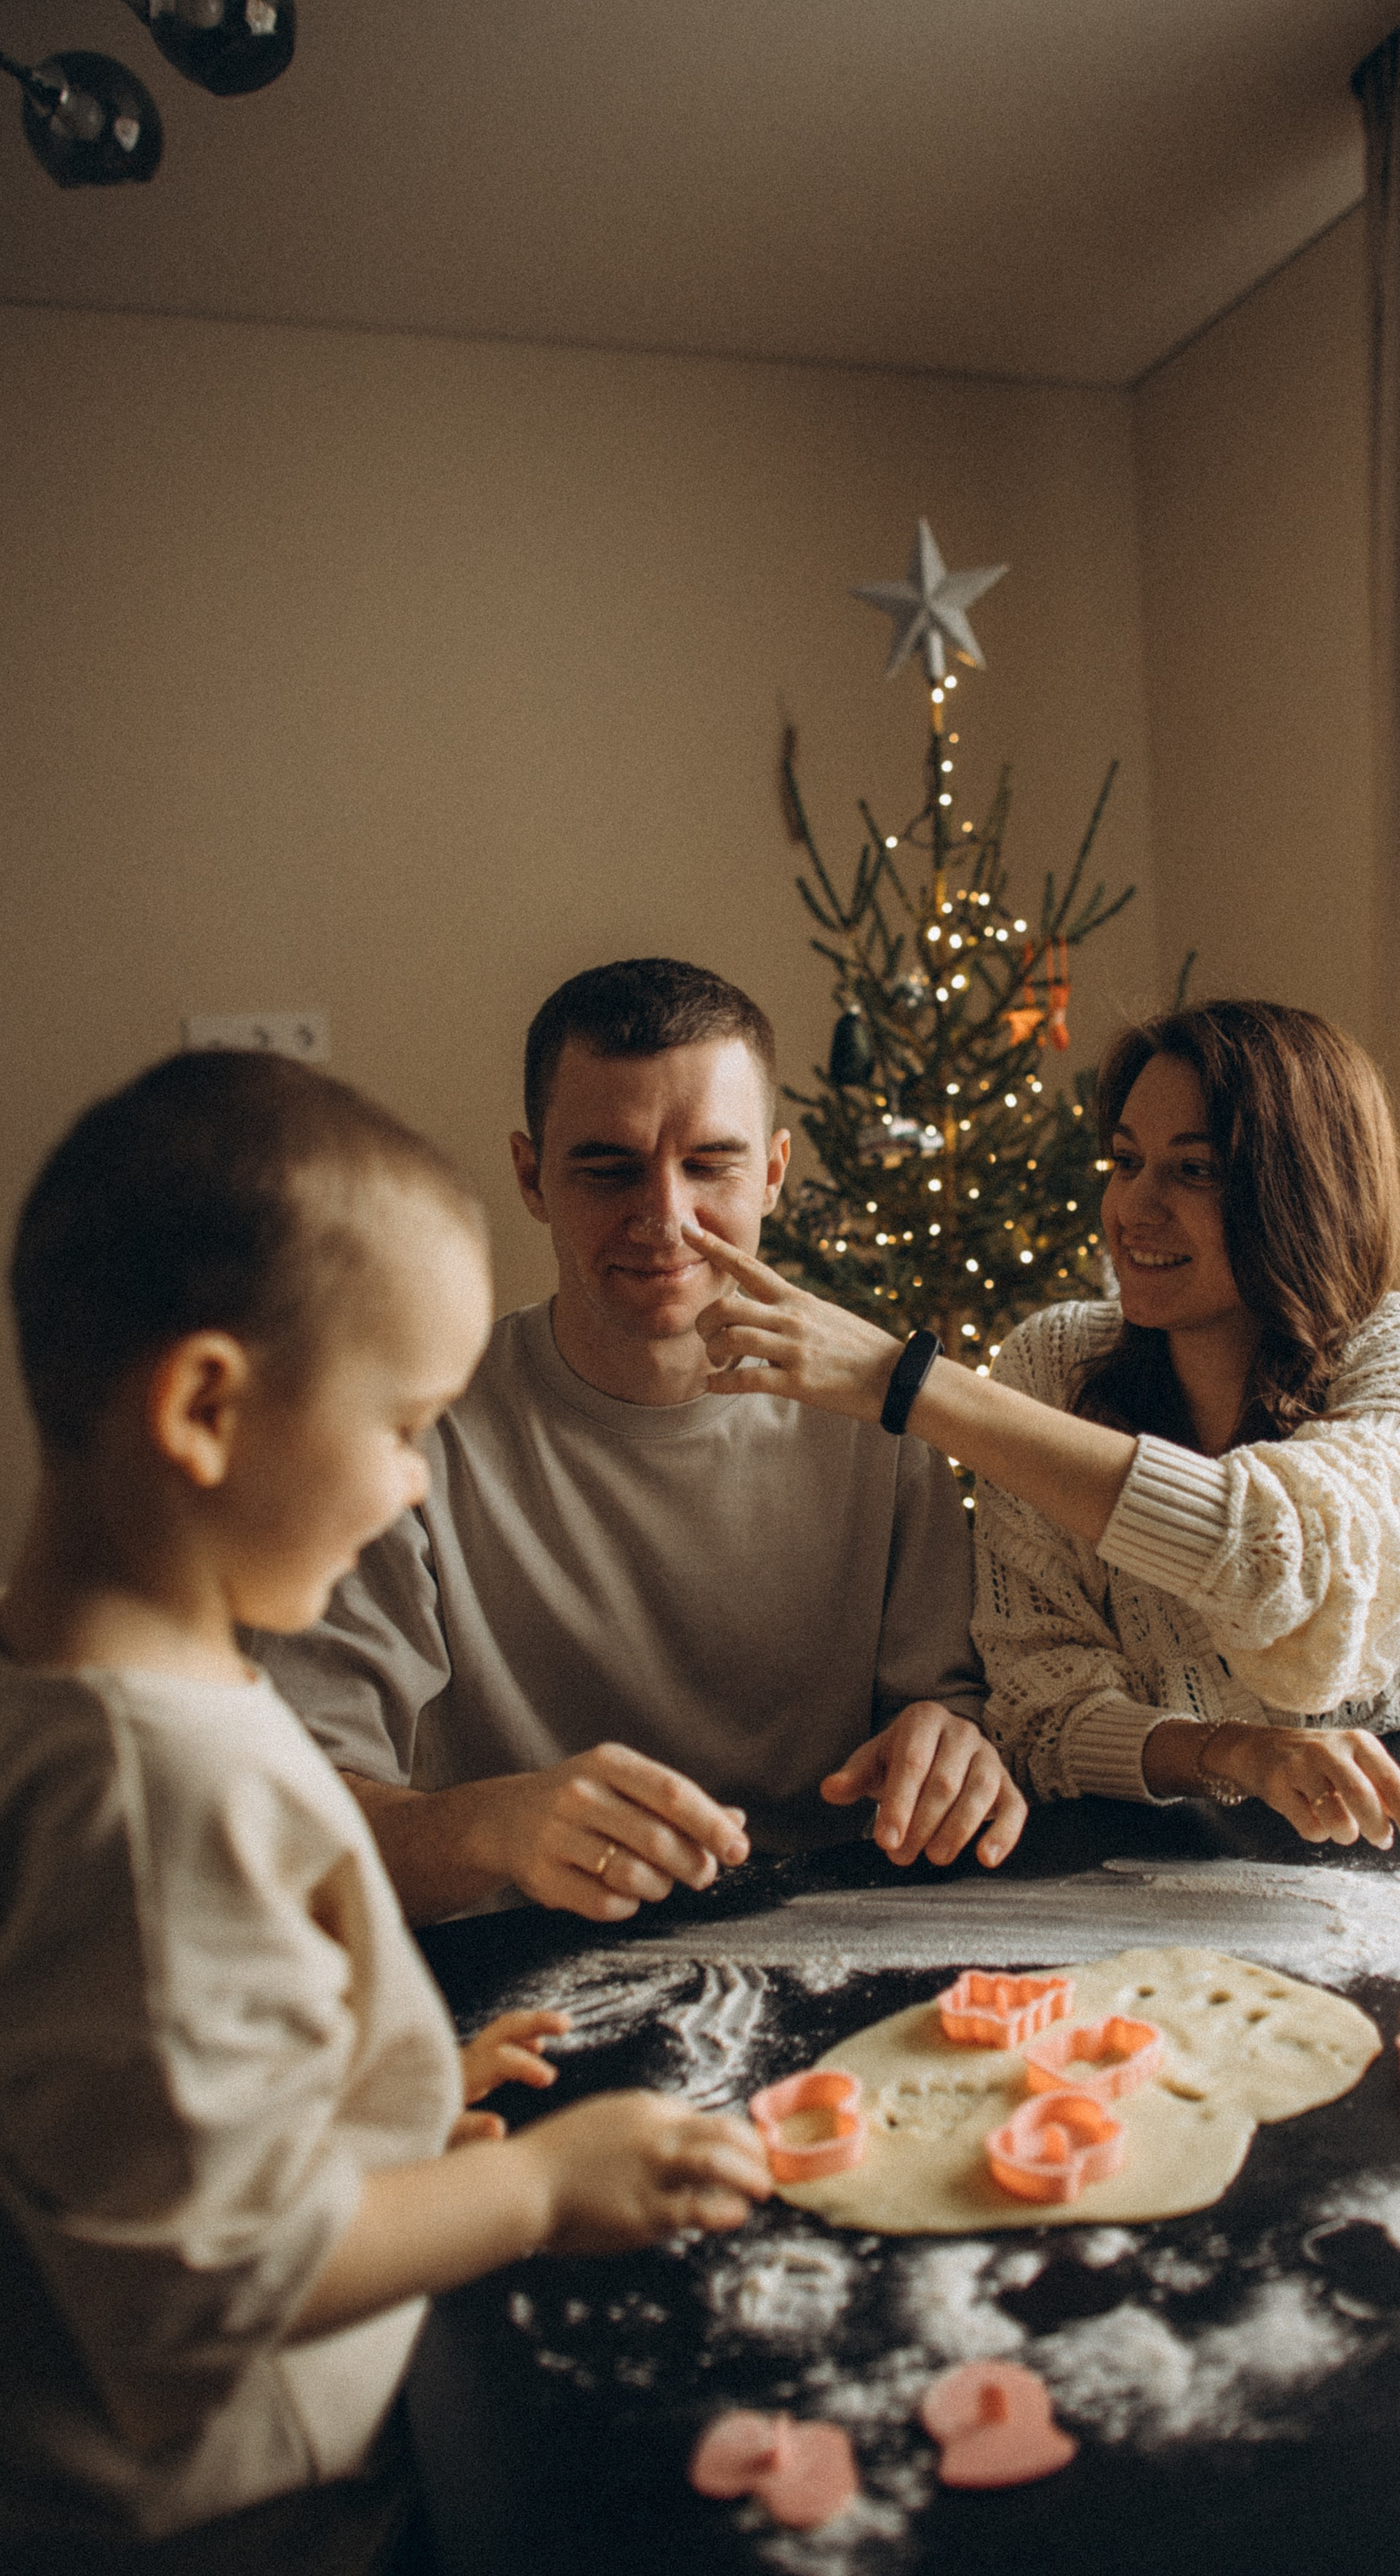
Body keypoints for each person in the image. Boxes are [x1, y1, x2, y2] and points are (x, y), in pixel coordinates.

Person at [0, 1053, 771, 2575]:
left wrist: (372, 2105)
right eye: (404, 1426)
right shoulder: (160, 1791)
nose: (417, 1482)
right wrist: (527, 2186)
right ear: (208, 1408)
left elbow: (129, 2105)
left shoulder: (71, 1691)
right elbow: (205, 2283)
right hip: (243, 2516)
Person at [259, 959, 1024, 1924]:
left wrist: (948, 1742)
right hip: (526, 1966)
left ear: (775, 1173)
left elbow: (947, 1711)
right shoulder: (411, 1434)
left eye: (711, 1163)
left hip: (831, 1940)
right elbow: (291, 1824)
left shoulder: (881, 1416)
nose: (665, 1218)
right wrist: (499, 1829)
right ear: (532, 1177)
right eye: (609, 1168)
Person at [689, 999, 1400, 1864]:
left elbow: (1286, 1561)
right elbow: (1043, 1715)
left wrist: (915, 1386)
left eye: (1193, 1171)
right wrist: (1231, 1753)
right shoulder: (1052, 1362)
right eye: (1125, 1161)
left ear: (1300, 1190)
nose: (1132, 1208)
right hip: (1159, 1858)